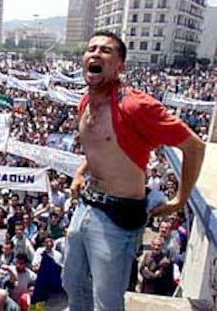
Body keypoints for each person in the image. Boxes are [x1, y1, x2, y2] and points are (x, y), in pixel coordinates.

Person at [62, 31, 205, 311]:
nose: (95, 53)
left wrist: (180, 199)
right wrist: (80, 173)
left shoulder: (136, 105)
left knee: (107, 302)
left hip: (118, 218)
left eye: (105, 50)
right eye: (91, 48)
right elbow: (100, 150)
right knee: (73, 284)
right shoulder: (85, 102)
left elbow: (195, 147)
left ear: (119, 67)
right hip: (86, 206)